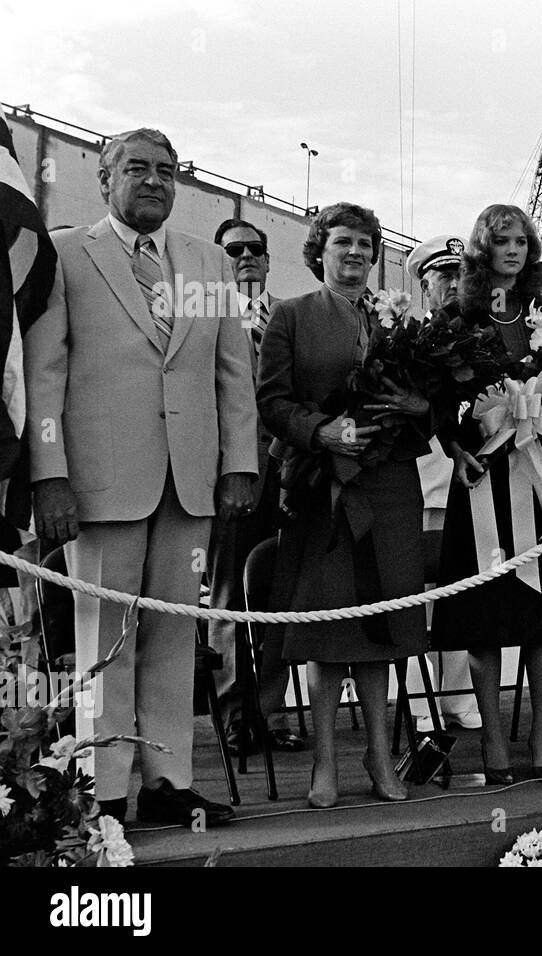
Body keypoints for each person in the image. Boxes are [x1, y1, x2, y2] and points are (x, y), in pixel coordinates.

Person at [25, 128, 258, 825]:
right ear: (104, 180)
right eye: (137, 169)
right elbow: (45, 375)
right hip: (100, 486)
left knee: (172, 635)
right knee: (106, 638)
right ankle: (103, 790)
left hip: (190, 484)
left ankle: (167, 781)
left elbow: (233, 374)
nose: (153, 181)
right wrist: (50, 476)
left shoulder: (207, 263)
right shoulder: (65, 254)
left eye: (166, 170)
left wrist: (240, 463)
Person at [257, 202, 430, 807]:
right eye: (342, 243)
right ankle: (325, 762)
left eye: (365, 243)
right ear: (319, 251)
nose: (355, 253)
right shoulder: (291, 315)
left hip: (390, 485)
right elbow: (271, 402)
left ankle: (380, 756)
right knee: (330, 624)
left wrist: (418, 409)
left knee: (382, 621)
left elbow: (430, 401)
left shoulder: (399, 321)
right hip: (323, 484)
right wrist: (320, 431)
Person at [432, 203, 542, 783]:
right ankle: (493, 745)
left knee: (541, 612)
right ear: (482, 249)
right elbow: (440, 403)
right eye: (502, 241)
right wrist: (455, 447)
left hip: (541, 472)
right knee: (483, 613)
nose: (514, 250)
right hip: (480, 477)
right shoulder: (457, 315)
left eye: (522, 240)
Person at [207, 218, 305, 755]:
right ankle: (235, 717)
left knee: (280, 592)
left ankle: (270, 712)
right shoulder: (204, 315)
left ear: (268, 261)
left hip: (290, 473)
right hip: (234, 473)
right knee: (229, 594)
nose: (245, 257)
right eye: (233, 250)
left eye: (255, 249)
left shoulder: (290, 317)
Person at [404, 234, 481, 731]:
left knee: (460, 594)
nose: (453, 284)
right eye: (442, 276)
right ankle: (419, 702)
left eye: (460, 275)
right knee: (414, 598)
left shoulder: (480, 343)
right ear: (425, 286)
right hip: (420, 485)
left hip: (467, 485)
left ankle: (456, 695)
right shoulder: (408, 341)